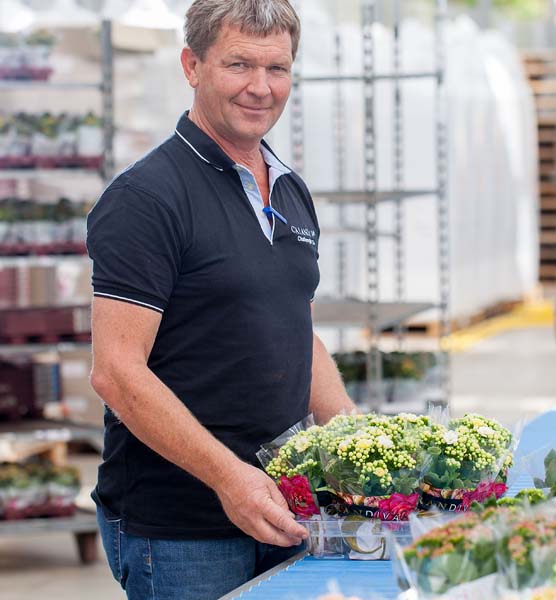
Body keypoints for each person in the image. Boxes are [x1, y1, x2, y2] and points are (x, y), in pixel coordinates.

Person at [86, 1, 355, 598]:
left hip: (285, 508)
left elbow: (292, 327)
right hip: (183, 530)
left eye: (277, 69)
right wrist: (230, 479)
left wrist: (351, 438)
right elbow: (117, 373)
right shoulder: (146, 199)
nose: (261, 88)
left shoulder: (289, 189)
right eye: (239, 65)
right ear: (192, 65)